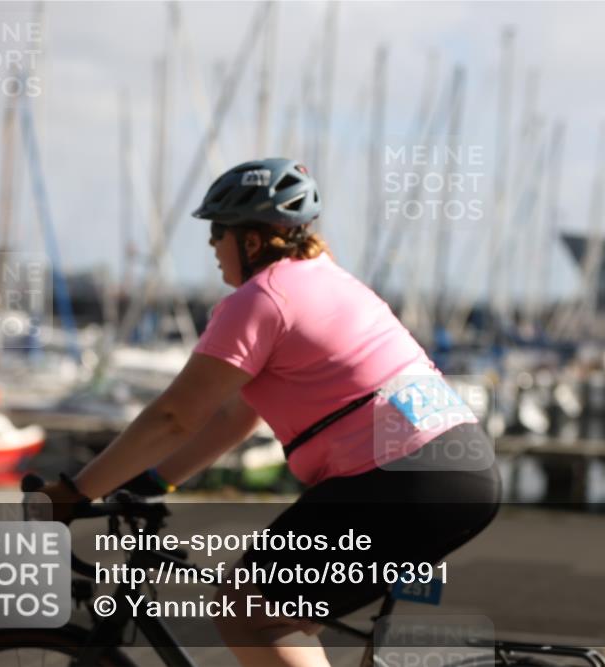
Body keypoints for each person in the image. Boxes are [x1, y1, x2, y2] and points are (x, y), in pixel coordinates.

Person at [39, 158, 502, 667]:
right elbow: (234, 418)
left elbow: (175, 416)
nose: (213, 245)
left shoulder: (262, 300)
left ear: (252, 241)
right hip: (461, 469)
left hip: (399, 480)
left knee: (249, 606)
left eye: (218, 231)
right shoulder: (327, 281)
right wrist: (153, 481)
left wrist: (76, 490)